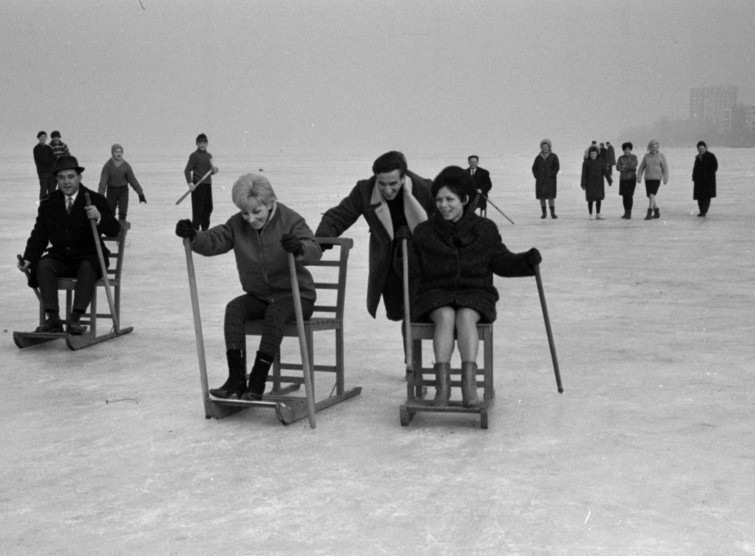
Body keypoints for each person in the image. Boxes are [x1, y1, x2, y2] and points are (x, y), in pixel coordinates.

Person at [175, 173, 321, 401]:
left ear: (270, 203)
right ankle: (236, 379)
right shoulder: (237, 225)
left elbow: (314, 249)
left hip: (296, 297)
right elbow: (214, 240)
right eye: (245, 213)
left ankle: (258, 378)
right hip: (260, 296)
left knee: (276, 312)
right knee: (234, 309)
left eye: (256, 212)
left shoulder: (290, 220)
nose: (250, 219)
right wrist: (194, 236)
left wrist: (299, 247)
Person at [408, 166, 541, 406]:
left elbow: (502, 262)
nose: (443, 205)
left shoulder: (485, 229)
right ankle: (443, 388)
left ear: (465, 199)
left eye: (450, 199)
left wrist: (526, 262)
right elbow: (412, 271)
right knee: (446, 315)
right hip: (436, 293)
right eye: (438, 199)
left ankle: (469, 388)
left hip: (475, 292)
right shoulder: (425, 232)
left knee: (467, 315)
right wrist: (403, 250)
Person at [314, 150, 434, 323]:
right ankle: (409, 348)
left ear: (403, 177)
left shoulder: (425, 189)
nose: (387, 190)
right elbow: (339, 216)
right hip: (389, 262)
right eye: (382, 184)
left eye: (393, 183)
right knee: (399, 312)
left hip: (421, 259)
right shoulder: (365, 190)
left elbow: (442, 225)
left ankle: (414, 350)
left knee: (416, 313)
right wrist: (319, 243)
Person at [18, 155, 120, 334]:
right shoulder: (49, 203)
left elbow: (114, 230)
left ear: (79, 178)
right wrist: (28, 259)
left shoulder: (95, 199)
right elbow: (39, 235)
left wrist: (99, 217)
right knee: (43, 265)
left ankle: (75, 319)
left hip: (89, 256)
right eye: (62, 177)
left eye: (71, 177)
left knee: (88, 267)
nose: (66, 182)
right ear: (57, 179)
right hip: (61, 258)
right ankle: (54, 320)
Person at [97, 144, 146, 221]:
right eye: (116, 152)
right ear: (112, 153)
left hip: (123, 191)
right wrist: (100, 195)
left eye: (120, 152)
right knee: (110, 211)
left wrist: (140, 193)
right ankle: (111, 228)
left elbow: (132, 180)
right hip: (111, 190)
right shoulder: (108, 166)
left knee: (123, 211)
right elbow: (103, 181)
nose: (119, 154)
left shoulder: (126, 166)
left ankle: (122, 228)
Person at [184, 133, 219, 231]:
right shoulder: (194, 156)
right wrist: (190, 183)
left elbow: (209, 171)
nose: (202, 145)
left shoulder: (209, 156)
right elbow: (187, 170)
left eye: (204, 143)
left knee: (208, 208)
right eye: (200, 143)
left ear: (207, 144)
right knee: (198, 210)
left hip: (207, 185)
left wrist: (215, 170)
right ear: (197, 144)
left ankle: (205, 229)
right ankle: (195, 231)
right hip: (197, 185)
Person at [636, 139, 669, 220]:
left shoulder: (661, 156)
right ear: (649, 148)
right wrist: (639, 176)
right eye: (652, 147)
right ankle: (656, 212)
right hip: (648, 179)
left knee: (651, 195)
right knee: (650, 196)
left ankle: (649, 213)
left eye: (656, 147)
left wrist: (665, 178)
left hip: (656, 179)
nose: (654, 149)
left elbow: (665, 168)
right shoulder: (646, 156)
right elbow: (641, 167)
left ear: (658, 147)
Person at [581, 146, 612, 219]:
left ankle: (598, 213)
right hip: (590, 184)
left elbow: (605, 172)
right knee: (590, 199)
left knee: (599, 198)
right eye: (591, 154)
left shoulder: (601, 161)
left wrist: (609, 180)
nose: (593, 155)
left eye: (594, 153)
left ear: (597, 154)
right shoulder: (586, 162)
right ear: (589, 154)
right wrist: (583, 183)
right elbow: (583, 174)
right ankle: (590, 214)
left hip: (599, 183)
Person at [532, 139, 560, 219]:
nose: (545, 148)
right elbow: (534, 168)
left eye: (546, 147)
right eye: (543, 147)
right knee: (542, 197)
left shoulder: (553, 156)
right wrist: (536, 175)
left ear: (549, 147)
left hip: (550, 180)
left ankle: (552, 213)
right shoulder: (538, 157)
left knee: (551, 196)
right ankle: (544, 213)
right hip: (540, 180)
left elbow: (556, 167)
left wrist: (552, 174)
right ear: (541, 147)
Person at [692, 141, 718, 217]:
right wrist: (694, 177)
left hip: (708, 181)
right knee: (699, 197)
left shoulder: (711, 156)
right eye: (699, 149)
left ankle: (704, 211)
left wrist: (708, 175)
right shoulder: (697, 157)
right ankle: (701, 211)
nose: (701, 150)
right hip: (699, 181)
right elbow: (695, 169)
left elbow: (715, 167)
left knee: (706, 196)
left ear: (705, 148)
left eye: (702, 148)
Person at [615, 142, 638, 219]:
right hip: (623, 179)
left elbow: (633, 166)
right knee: (624, 197)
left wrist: (624, 167)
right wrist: (627, 167)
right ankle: (625, 212)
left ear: (630, 150)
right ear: (623, 150)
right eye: (625, 150)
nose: (627, 151)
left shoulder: (634, 157)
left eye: (628, 150)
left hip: (631, 179)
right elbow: (618, 167)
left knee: (629, 196)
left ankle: (629, 213)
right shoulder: (620, 158)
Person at [33, 131, 55, 201]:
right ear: (38, 138)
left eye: (44, 136)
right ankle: (42, 205)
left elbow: (54, 158)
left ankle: (51, 205)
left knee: (52, 190)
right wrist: (49, 161)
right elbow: (41, 160)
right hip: (42, 172)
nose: (43, 138)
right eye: (41, 137)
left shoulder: (48, 148)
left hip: (51, 172)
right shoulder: (36, 148)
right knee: (43, 189)